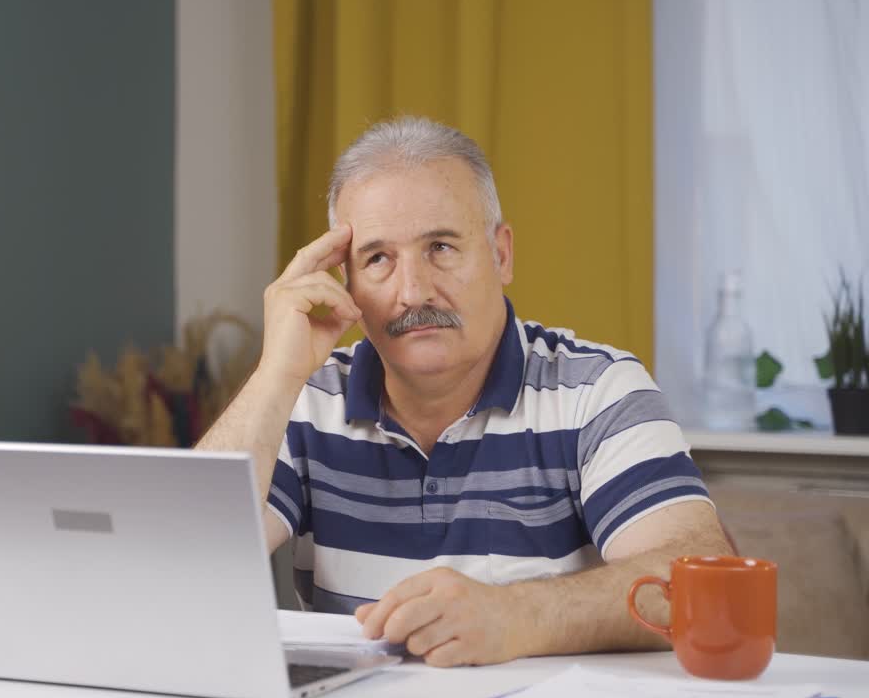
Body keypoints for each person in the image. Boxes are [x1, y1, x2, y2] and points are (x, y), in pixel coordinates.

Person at [195, 116, 733, 668]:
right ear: (345, 282)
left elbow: (709, 586)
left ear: (501, 255)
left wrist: (514, 615)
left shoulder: (598, 392)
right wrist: (275, 374)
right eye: (378, 259)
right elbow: (184, 569)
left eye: (441, 247)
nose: (413, 292)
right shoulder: (305, 398)